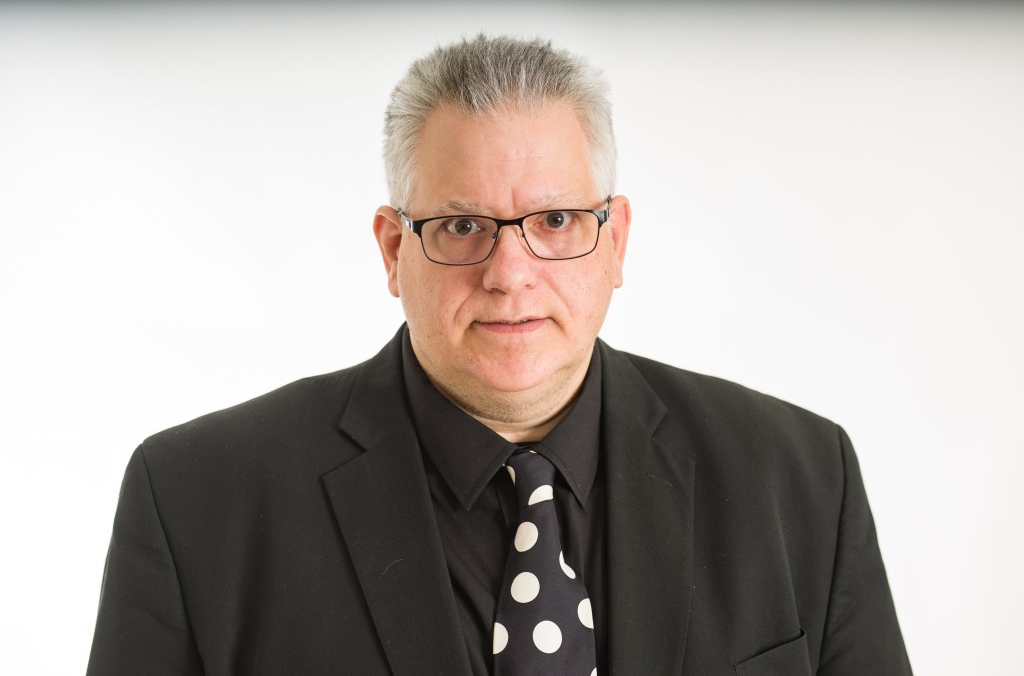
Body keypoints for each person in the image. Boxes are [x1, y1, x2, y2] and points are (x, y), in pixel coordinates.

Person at [87, 35, 912, 675]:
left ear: (615, 241)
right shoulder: (195, 499)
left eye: (554, 221)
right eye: (461, 226)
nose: (510, 274)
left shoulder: (802, 478)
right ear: (392, 250)